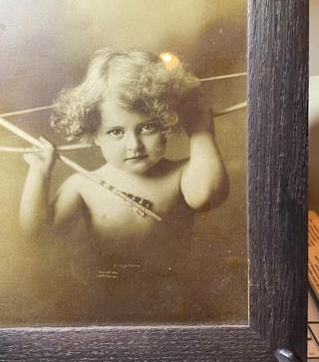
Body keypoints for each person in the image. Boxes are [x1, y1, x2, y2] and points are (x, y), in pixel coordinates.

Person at [19, 48, 229, 323]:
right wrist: (39, 173)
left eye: (148, 127)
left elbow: (207, 195)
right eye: (116, 132)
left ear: (168, 120)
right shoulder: (84, 184)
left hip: (173, 299)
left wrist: (201, 131)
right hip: (105, 299)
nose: (134, 145)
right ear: (93, 134)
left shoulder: (183, 174)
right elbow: (38, 234)